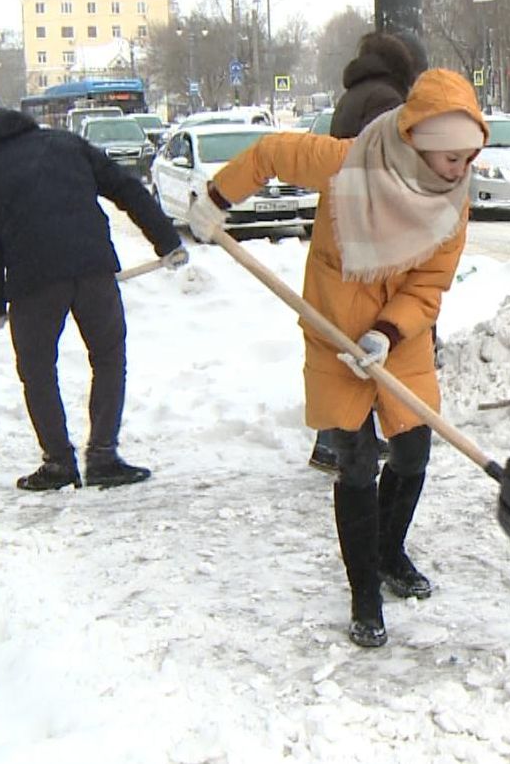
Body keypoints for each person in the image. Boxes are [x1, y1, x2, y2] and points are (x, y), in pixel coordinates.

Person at [187, 68, 485, 648]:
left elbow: (429, 284)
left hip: (398, 339)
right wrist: (216, 198)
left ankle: (389, 552)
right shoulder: (350, 163)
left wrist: (387, 333)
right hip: (333, 333)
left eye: (469, 156)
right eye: (452, 158)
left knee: (413, 452)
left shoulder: (455, 201)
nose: (461, 169)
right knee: (354, 463)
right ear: (420, 145)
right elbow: (272, 153)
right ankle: (364, 594)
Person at [0, 107, 187, 491]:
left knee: (38, 370)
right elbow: (126, 187)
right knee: (109, 358)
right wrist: (167, 241)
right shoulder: (65, 144)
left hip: (34, 282)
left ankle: (59, 462)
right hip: (92, 267)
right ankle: (102, 456)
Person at [311, 29, 427, 472]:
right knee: (365, 342)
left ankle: (335, 440)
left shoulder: (357, 94)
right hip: (370, 233)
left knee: (344, 341)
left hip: (346, 226)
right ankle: (346, 445)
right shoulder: (385, 101)